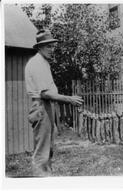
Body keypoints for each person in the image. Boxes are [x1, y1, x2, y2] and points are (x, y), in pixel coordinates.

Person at [25, 29, 83, 176]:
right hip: (41, 107)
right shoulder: (36, 63)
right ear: (39, 47)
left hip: (47, 107)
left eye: (53, 46)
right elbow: (45, 93)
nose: (52, 49)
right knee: (42, 153)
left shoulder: (44, 62)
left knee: (48, 150)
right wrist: (69, 99)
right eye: (48, 46)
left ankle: (47, 178)